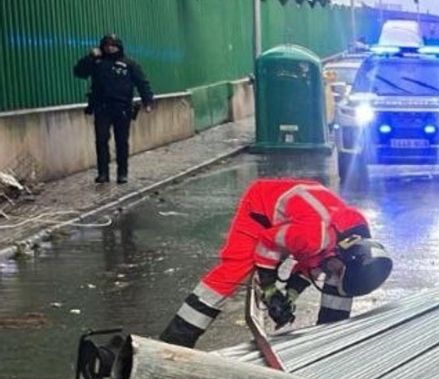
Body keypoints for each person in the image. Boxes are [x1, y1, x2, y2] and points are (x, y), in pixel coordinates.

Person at [159, 179, 393, 348]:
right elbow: (267, 244)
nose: (329, 271)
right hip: (261, 209)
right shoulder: (314, 236)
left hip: (302, 224)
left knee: (334, 274)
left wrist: (289, 295)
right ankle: (176, 339)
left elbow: (313, 262)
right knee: (235, 268)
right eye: (337, 268)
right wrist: (270, 290)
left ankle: (330, 338)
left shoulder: (354, 236)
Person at [73, 34, 154, 184]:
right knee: (101, 140)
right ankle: (103, 173)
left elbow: (142, 83)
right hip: (102, 107)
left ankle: (122, 173)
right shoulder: (97, 63)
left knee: (121, 142)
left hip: (122, 108)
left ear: (119, 46)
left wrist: (147, 101)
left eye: (113, 45)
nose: (110, 48)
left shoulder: (129, 64)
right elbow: (79, 72)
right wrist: (90, 57)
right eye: (106, 45)